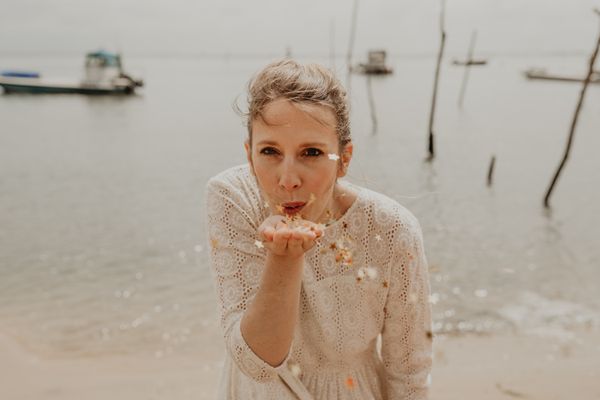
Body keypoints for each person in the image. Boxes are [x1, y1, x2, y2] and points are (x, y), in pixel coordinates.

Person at [205, 59, 432, 400]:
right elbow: (257, 364)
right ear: (249, 155)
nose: (288, 180)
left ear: (343, 158)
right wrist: (283, 257)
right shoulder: (233, 197)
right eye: (270, 151)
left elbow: (409, 371)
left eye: (311, 152)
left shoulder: (393, 229)